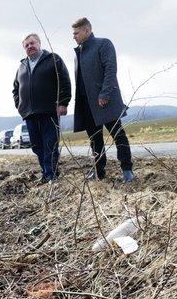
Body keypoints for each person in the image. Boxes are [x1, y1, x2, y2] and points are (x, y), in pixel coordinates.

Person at [71, 17, 134, 182]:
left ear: (87, 30)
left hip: (104, 101)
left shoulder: (103, 44)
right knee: (95, 140)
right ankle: (99, 172)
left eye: (76, 33)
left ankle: (127, 170)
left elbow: (110, 69)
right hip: (87, 105)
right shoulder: (78, 53)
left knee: (118, 134)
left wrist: (105, 94)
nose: (74, 37)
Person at [13, 33, 71, 183]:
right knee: (37, 146)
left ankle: (52, 176)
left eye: (32, 43)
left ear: (39, 43)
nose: (30, 47)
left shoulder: (53, 59)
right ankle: (45, 174)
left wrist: (63, 103)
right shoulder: (21, 66)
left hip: (49, 111)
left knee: (50, 145)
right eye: (26, 45)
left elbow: (64, 80)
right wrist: (20, 107)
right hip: (30, 114)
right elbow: (15, 89)